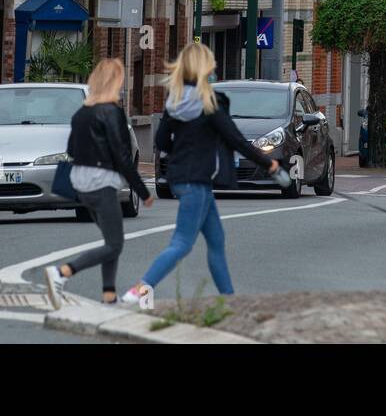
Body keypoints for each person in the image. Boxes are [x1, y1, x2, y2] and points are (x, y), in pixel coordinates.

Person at [121, 42, 279, 305]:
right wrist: (268, 163)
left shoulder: (175, 102)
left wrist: (182, 151)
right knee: (182, 243)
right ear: (205, 68)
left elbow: (162, 140)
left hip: (183, 178)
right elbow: (236, 139)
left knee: (216, 239)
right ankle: (140, 288)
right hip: (195, 182)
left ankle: (229, 300)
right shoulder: (209, 103)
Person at [42, 59, 151, 308]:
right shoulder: (111, 112)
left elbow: (70, 148)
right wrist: (143, 192)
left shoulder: (81, 112)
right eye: (121, 82)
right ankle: (62, 272)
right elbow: (122, 156)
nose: (122, 88)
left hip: (81, 184)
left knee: (110, 243)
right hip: (102, 183)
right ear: (114, 83)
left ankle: (109, 295)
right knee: (114, 245)